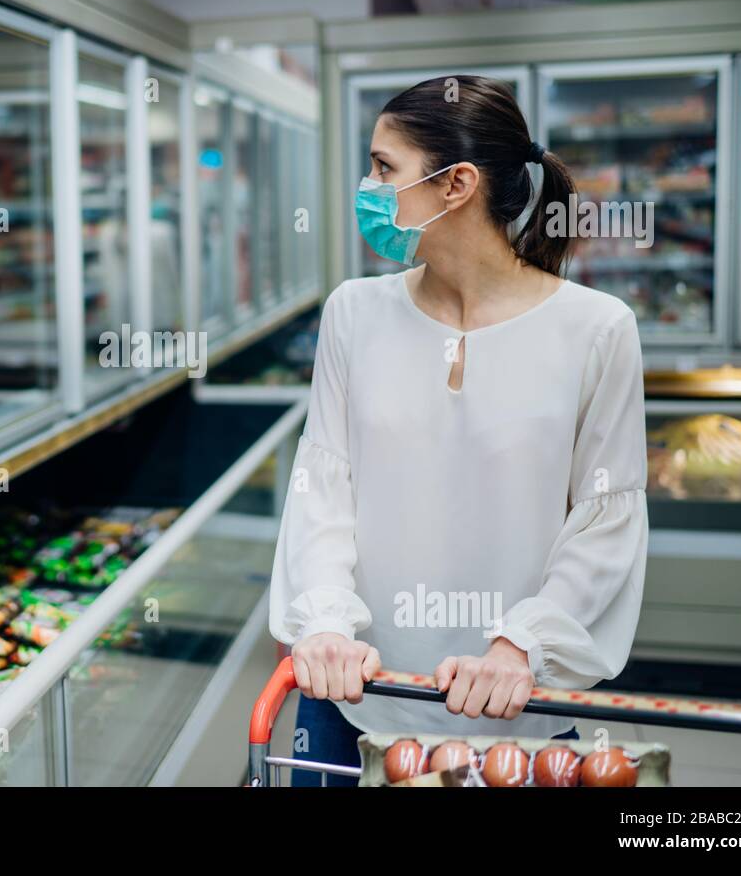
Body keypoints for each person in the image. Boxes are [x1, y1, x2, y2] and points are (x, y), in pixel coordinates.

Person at [269, 75, 648, 786]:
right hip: (353, 701)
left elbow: (605, 522)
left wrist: (520, 645)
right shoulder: (353, 313)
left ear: (456, 184)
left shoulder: (597, 331)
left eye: (385, 168)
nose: (367, 185)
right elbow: (325, 489)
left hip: (517, 709)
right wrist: (323, 623)